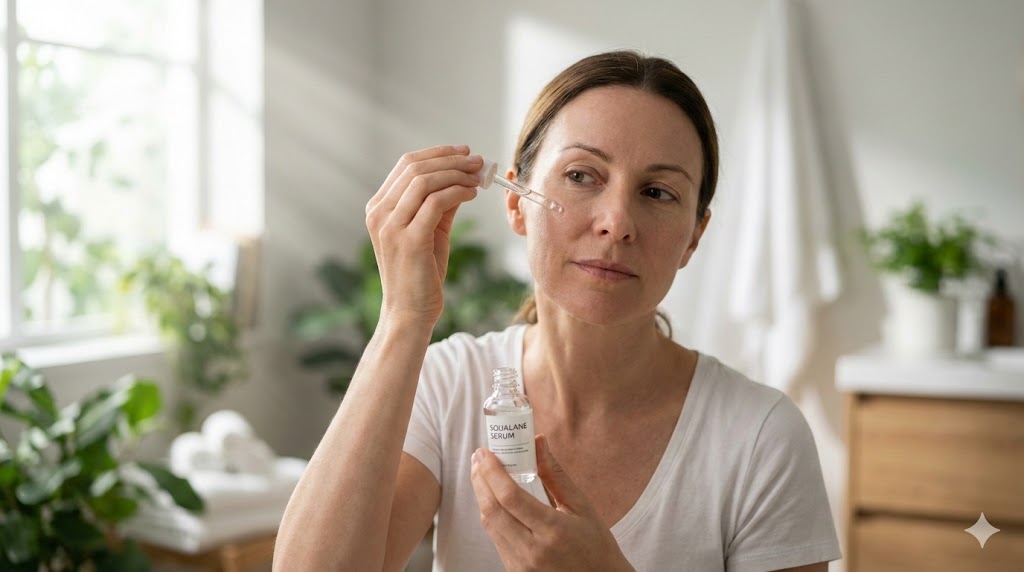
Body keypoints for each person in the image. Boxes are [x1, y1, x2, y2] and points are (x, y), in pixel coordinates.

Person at [275, 50, 842, 571]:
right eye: (580, 176)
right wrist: (403, 317)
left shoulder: (761, 437)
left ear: (694, 236)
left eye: (657, 192)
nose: (616, 222)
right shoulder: (450, 386)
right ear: (517, 203)